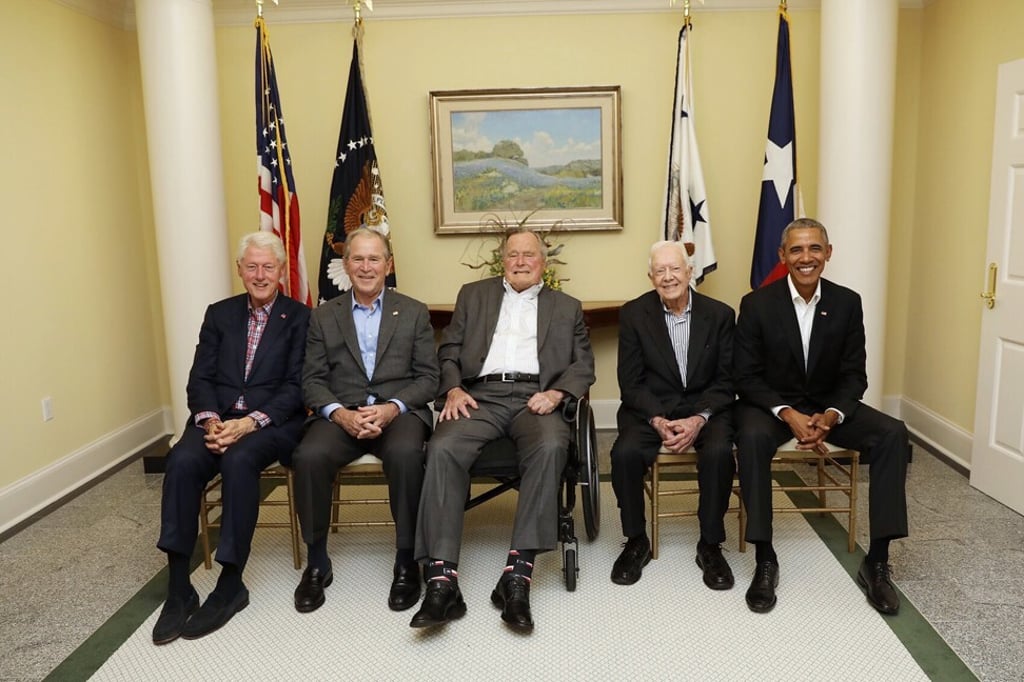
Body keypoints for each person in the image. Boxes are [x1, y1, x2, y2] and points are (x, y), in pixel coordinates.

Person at [410, 228, 595, 632]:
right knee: (442, 448)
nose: (521, 261)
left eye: (530, 255)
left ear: (543, 263)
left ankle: (518, 574)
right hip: (479, 396)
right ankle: (442, 580)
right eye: (513, 255)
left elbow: (583, 365)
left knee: (550, 447)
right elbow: (449, 352)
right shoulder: (473, 296)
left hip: (537, 396)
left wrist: (557, 392)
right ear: (503, 260)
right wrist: (454, 388)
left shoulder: (566, 306)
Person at [734, 217, 909, 615]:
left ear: (828, 254)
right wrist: (788, 413)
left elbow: (854, 374)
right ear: (782, 256)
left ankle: (877, 562)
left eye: (814, 248)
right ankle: (765, 558)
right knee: (752, 438)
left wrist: (831, 415)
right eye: (796, 249)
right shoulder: (756, 304)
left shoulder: (847, 303)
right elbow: (745, 375)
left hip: (830, 406)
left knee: (893, 433)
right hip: (773, 407)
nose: (806, 257)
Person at [153, 232, 310, 644]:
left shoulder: (299, 317)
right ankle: (178, 588)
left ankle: (230, 582)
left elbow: (297, 386)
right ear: (240, 270)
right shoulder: (219, 315)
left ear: (281, 271)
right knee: (183, 461)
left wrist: (249, 423)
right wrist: (210, 422)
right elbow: (200, 377)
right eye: (252, 266)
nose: (260, 274)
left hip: (272, 423)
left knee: (239, 461)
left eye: (268, 266)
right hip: (216, 420)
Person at [291, 227, 438, 614]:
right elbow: (312, 380)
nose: (366, 266)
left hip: (397, 412)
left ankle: (407, 559)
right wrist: (339, 414)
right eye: (358, 258)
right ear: (346, 264)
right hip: (341, 412)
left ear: (388, 265)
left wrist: (391, 408)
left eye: (375, 258)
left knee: (408, 454)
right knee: (307, 457)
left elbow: (428, 377)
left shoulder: (413, 311)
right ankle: (317, 561)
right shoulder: (324, 316)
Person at [609, 241, 737, 589]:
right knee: (624, 454)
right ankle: (636, 540)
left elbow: (727, 380)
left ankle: (710, 545)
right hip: (652, 409)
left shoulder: (721, 315)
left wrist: (698, 419)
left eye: (675, 269)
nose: (668, 277)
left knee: (719, 452)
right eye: (660, 271)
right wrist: (658, 420)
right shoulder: (634, 314)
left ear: (690, 272)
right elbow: (630, 382)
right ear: (651, 277)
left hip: (706, 410)